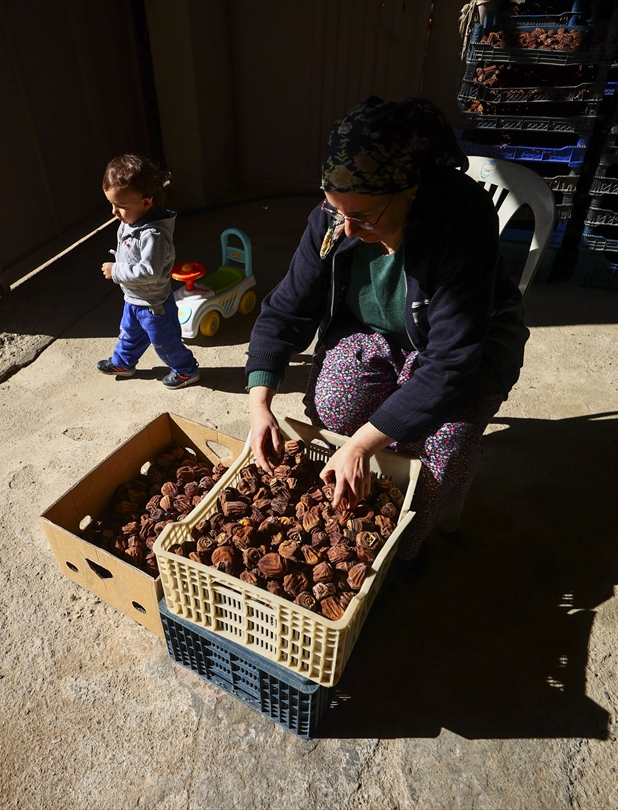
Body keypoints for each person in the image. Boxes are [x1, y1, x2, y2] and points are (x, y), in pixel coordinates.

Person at [245, 97, 529, 575]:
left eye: (366, 216)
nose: (349, 228)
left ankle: (403, 547)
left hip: (466, 349)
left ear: (413, 191)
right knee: (337, 406)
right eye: (338, 211)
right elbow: (287, 307)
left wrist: (362, 444)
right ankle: (378, 468)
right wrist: (260, 403)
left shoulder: (461, 221)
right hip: (374, 334)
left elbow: (451, 363)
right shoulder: (336, 219)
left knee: (444, 453)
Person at [99, 154, 201, 389]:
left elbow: (150, 272)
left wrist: (117, 271)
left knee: (165, 342)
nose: (114, 212)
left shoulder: (153, 236)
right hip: (134, 298)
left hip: (154, 305)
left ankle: (186, 370)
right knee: (129, 334)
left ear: (146, 203)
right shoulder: (129, 222)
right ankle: (123, 363)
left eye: (120, 206)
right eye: (112, 204)